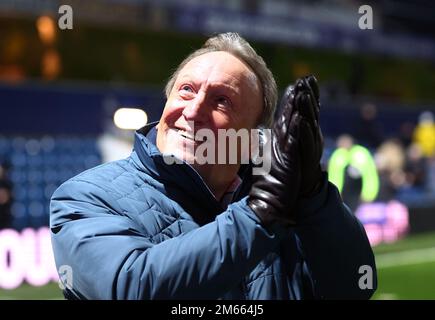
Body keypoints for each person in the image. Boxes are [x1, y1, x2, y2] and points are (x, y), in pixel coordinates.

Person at [50, 32, 377, 300]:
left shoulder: (288, 203)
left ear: (253, 137)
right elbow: (132, 289)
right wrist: (260, 215)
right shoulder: (85, 196)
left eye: (222, 100)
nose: (193, 112)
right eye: (186, 91)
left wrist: (315, 197)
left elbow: (355, 286)